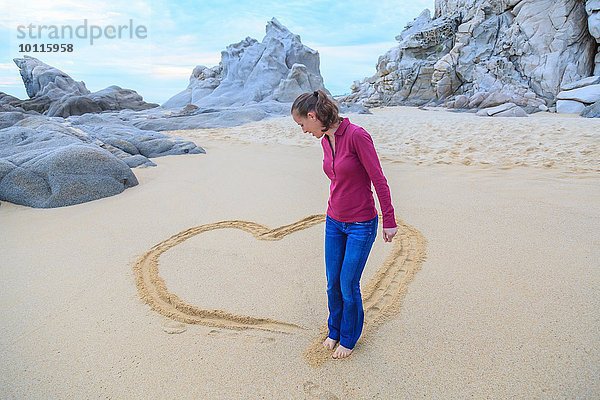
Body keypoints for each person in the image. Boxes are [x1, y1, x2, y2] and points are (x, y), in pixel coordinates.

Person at [291, 89, 398, 359]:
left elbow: (379, 179)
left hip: (361, 224)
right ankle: (334, 330)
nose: (303, 130)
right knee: (332, 283)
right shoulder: (324, 139)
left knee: (348, 283)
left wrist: (389, 219)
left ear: (313, 116)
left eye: (302, 124)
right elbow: (338, 179)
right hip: (334, 222)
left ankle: (349, 338)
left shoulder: (357, 136)